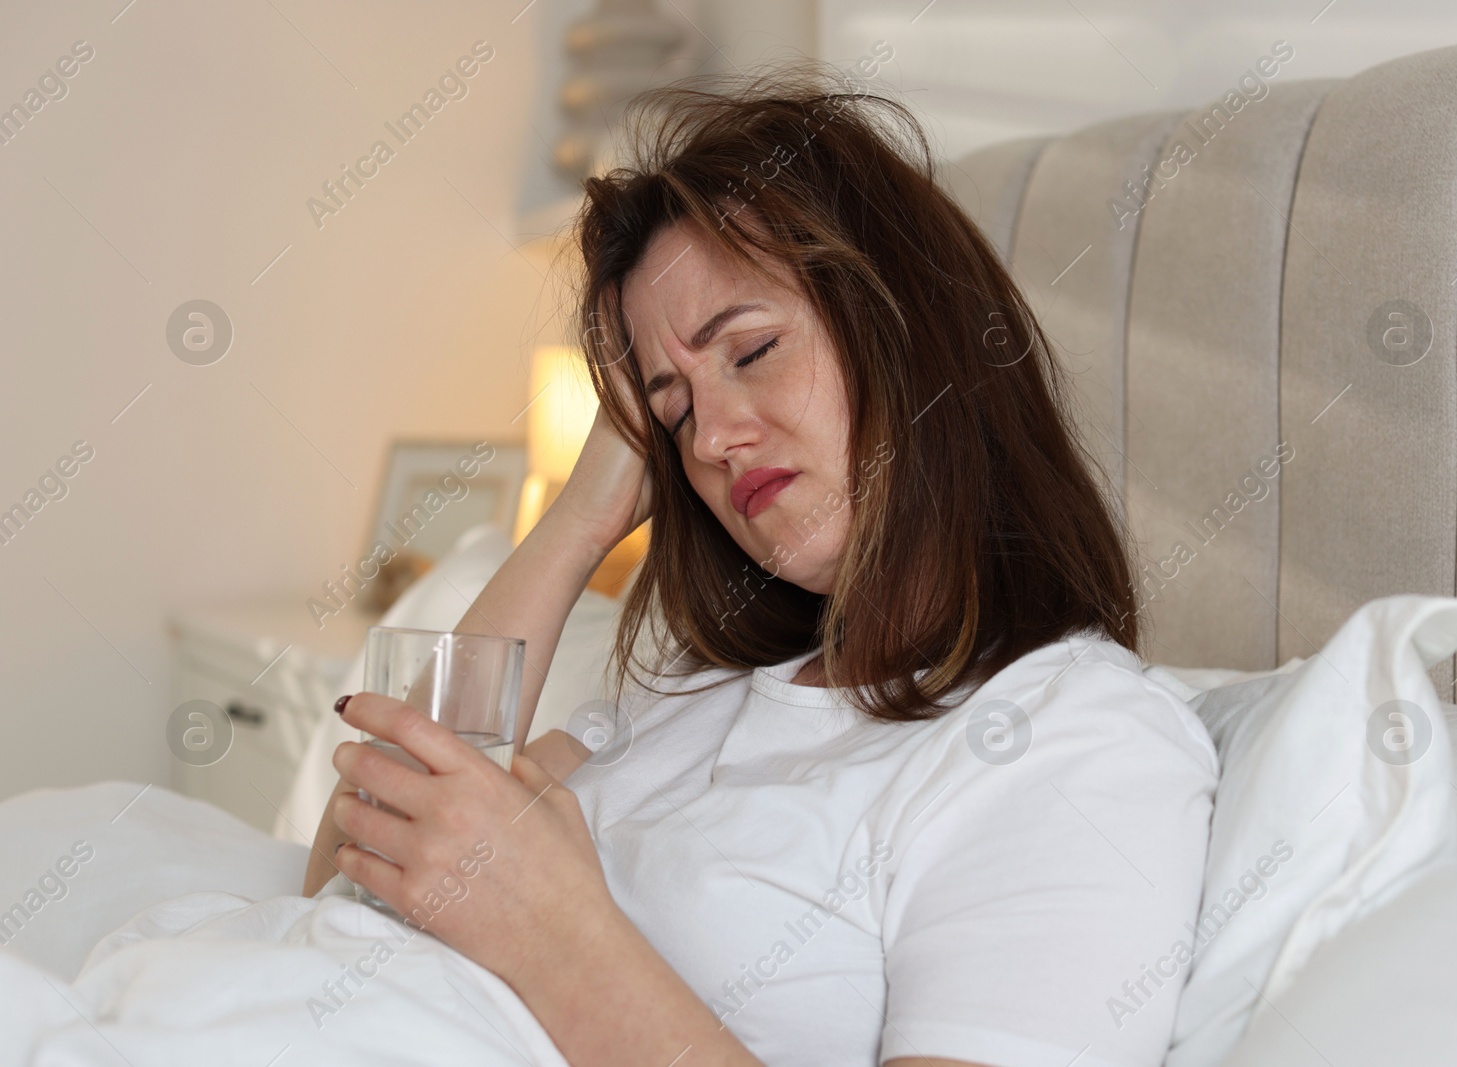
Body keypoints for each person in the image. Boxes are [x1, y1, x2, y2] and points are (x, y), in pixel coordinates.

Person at [302, 71, 1217, 1067]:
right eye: (674, 407)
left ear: (912, 329)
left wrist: (555, 938)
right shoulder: (690, 694)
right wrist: (581, 515)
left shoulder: (1068, 740)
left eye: (750, 350)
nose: (715, 440)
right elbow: (357, 860)